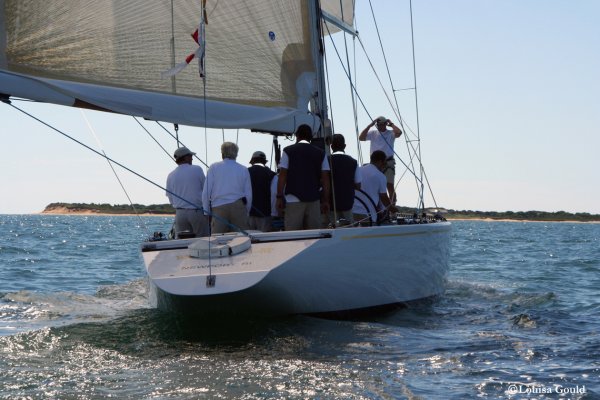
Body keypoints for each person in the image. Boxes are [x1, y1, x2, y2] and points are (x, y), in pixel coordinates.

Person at [276, 124, 330, 231]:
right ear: (311, 136)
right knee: (314, 236)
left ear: (297, 136)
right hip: (314, 199)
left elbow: (282, 175)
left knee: (292, 236)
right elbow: (325, 179)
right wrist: (326, 200)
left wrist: (279, 197)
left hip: (293, 199)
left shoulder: (288, 151)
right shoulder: (321, 153)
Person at [202, 142, 252, 233]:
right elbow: (248, 194)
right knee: (241, 238)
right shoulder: (243, 169)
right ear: (236, 154)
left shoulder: (214, 167)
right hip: (239, 207)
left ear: (222, 153)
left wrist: (206, 212)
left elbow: (206, 192)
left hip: (218, 207)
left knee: (217, 240)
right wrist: (246, 212)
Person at [165, 146, 209, 238]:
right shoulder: (197, 169)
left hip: (180, 214)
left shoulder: (170, 175)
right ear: (185, 157)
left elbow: (170, 197)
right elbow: (206, 190)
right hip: (196, 212)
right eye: (190, 156)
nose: (192, 158)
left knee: (182, 242)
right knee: (203, 240)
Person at [359, 115, 402, 204]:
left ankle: (392, 207)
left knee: (390, 185)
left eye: (382, 124)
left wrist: (392, 124)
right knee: (375, 185)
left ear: (385, 124)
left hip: (387, 162)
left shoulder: (391, 133)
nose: (380, 126)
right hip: (375, 163)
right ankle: (378, 208)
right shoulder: (373, 133)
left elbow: (399, 133)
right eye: (378, 124)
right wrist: (370, 125)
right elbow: (361, 138)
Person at [352, 150, 397, 225]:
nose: (386, 165)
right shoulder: (381, 176)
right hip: (367, 216)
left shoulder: (358, 170)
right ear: (380, 162)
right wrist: (392, 209)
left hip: (351, 212)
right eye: (385, 162)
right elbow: (384, 198)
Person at [328, 133, 361, 226]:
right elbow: (358, 186)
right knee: (349, 229)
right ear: (345, 146)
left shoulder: (326, 160)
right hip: (347, 203)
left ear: (331, 146)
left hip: (330, 203)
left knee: (330, 228)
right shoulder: (353, 162)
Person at [247, 150, 276, 232]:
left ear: (252, 161)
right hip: (265, 213)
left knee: (248, 239)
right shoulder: (272, 174)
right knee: (264, 240)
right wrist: (273, 213)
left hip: (248, 214)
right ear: (264, 162)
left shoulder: (245, 172)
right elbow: (274, 193)